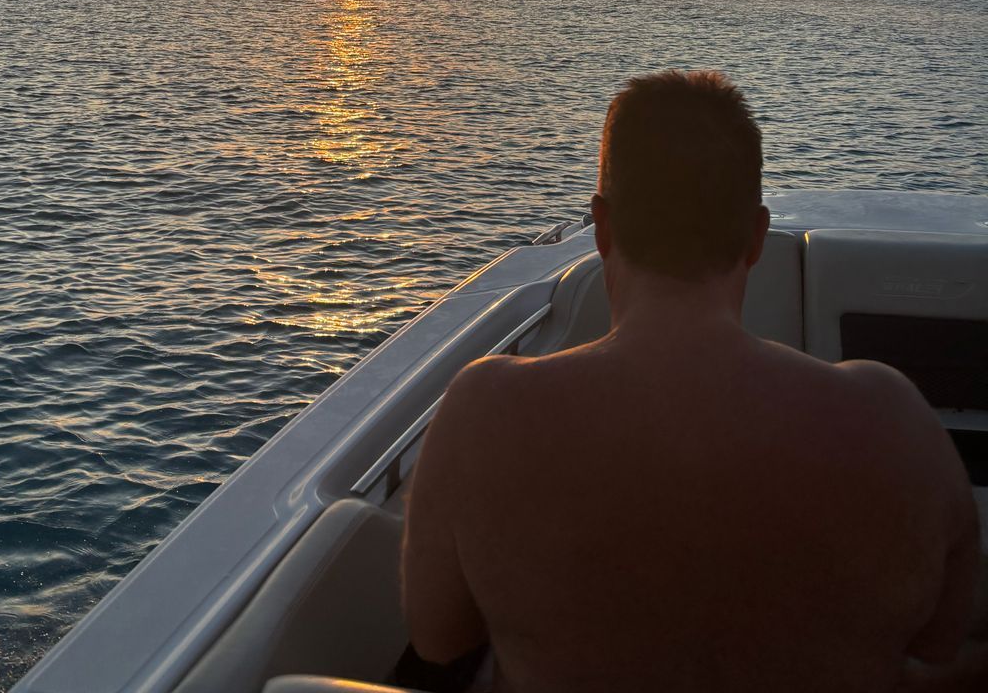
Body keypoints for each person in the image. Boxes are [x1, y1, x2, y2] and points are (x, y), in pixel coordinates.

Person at [402, 70, 986, 693]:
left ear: (602, 228)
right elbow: (940, 639)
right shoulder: (891, 418)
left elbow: (437, 637)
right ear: (756, 237)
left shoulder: (487, 412)